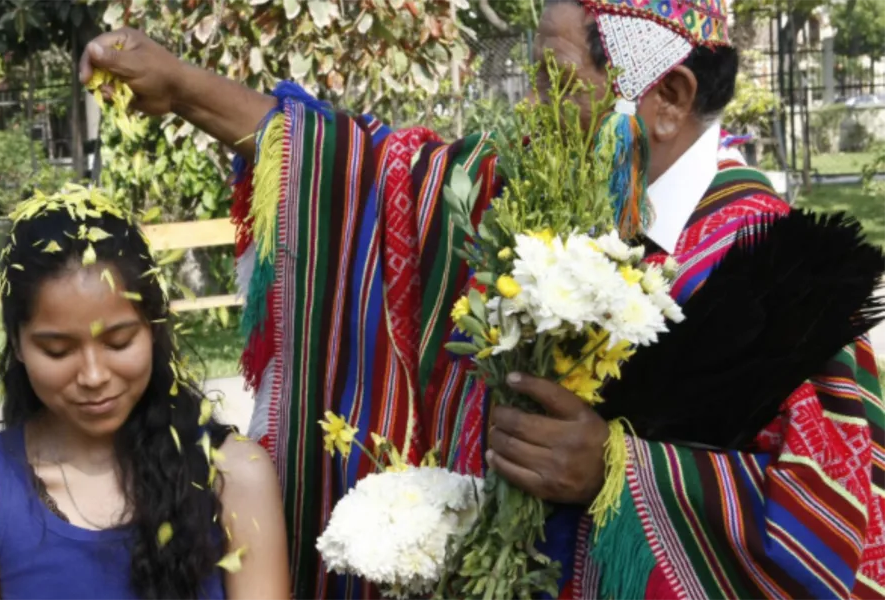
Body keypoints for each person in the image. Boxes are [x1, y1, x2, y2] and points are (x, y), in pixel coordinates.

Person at [78, 0, 885, 596]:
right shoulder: (537, 191)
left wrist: (616, 466)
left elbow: (829, 518)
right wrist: (182, 86)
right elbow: (365, 169)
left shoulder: (779, 271)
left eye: (549, 77)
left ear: (667, 99)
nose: (527, 110)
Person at [0, 190, 291, 600]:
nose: (94, 376)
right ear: (17, 343)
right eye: (58, 350)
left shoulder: (235, 475)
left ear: (153, 327)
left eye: (118, 343)